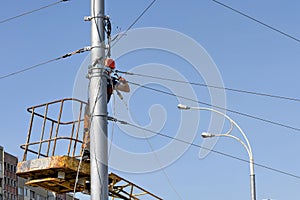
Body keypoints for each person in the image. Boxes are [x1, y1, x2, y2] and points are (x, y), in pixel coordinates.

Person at [82, 58, 130, 161]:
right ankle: (86, 152)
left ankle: (95, 153)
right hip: (90, 107)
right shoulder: (97, 76)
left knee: (99, 130)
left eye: (111, 69)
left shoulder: (111, 81)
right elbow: (90, 72)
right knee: (88, 130)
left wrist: (124, 83)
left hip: (102, 109)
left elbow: (126, 89)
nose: (110, 71)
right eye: (109, 68)